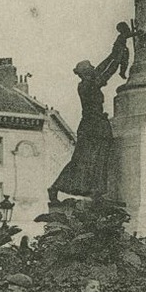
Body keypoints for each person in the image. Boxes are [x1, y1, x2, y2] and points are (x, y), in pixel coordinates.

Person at [48, 28, 132, 204]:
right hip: (93, 125)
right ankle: (58, 188)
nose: (94, 69)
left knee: (92, 158)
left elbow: (106, 65)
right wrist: (120, 41)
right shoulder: (88, 85)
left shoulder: (88, 82)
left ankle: (94, 192)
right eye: (91, 68)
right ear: (86, 72)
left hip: (93, 124)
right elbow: (108, 68)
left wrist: (119, 44)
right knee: (88, 159)